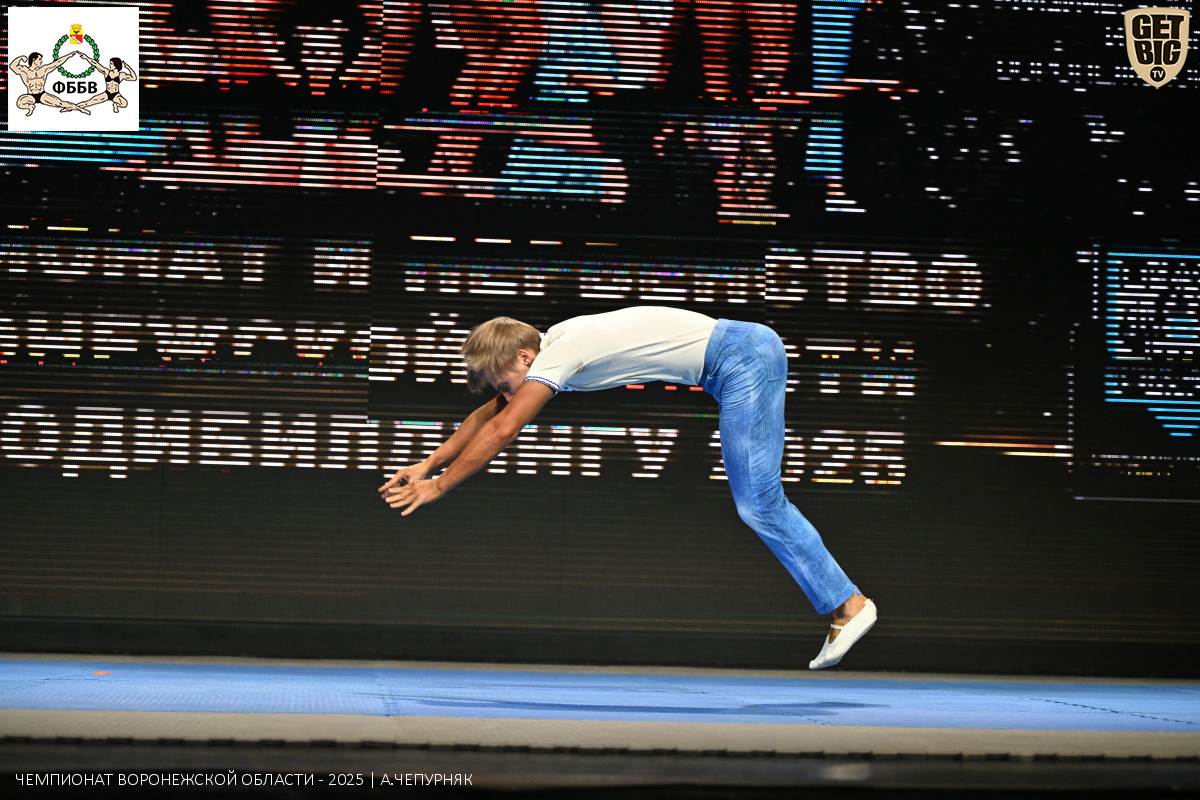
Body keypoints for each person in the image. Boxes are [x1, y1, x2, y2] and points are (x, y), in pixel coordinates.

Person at [379, 306, 876, 668]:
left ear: (526, 357)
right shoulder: (551, 348)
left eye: (505, 381)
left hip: (741, 357)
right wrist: (428, 464)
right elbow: (487, 416)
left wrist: (440, 486)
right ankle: (845, 604)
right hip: (737, 358)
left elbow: (504, 430)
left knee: (759, 504)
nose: (505, 393)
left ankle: (849, 605)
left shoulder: (560, 353)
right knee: (758, 504)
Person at [9, 52, 91, 116]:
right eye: (39, 59)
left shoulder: (43, 69)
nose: (41, 61)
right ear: (34, 60)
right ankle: (30, 107)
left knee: (60, 103)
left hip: (42, 95)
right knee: (20, 103)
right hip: (30, 96)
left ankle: (80, 109)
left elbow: (57, 63)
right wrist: (21, 57)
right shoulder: (24, 70)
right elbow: (12, 66)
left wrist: (69, 56)